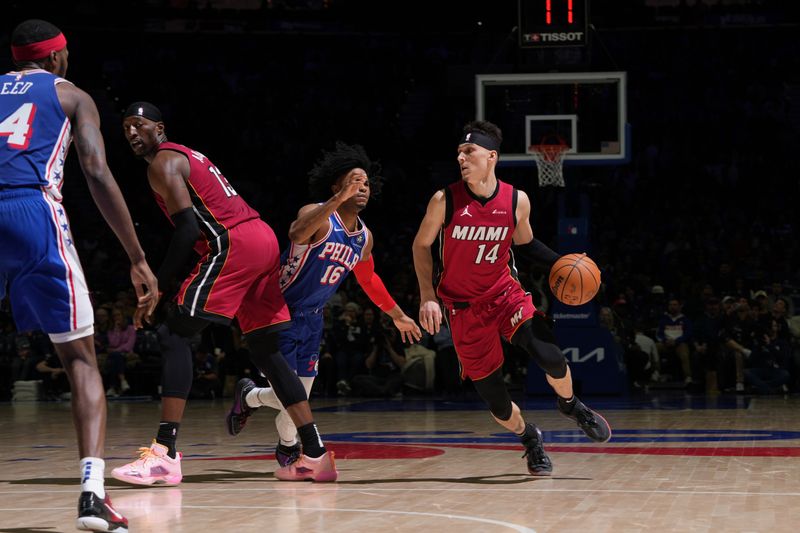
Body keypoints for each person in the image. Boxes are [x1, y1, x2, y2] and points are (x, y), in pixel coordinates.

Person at [115, 101, 336, 484]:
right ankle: (316, 454)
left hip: (234, 244)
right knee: (267, 351)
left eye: (139, 125)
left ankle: (164, 454)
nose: (133, 133)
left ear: (160, 128)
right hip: (261, 238)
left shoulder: (162, 162)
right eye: (126, 129)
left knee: (173, 334)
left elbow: (186, 230)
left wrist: (158, 287)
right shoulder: (188, 156)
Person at [0, 19, 159, 532]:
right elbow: (94, 169)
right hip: (32, 212)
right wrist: (135, 255)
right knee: (80, 359)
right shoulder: (72, 96)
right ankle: (92, 495)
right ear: (56, 57)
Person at [411, 120, 611, 476]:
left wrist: (568, 263)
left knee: (549, 355)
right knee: (498, 403)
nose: (461, 156)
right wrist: (427, 295)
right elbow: (421, 245)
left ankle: (571, 404)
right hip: (463, 310)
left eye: (469, 151)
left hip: (504, 294)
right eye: (459, 151)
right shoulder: (446, 199)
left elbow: (527, 243)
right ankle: (529, 437)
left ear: (492, 156)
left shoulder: (516, 200)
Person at [225, 142, 421, 467]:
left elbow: (369, 280)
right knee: (294, 398)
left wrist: (398, 315)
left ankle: (251, 399)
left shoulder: (363, 238)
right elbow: (296, 232)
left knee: (299, 397)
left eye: (366, 184)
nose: (362, 188)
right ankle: (288, 445)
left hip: (313, 319)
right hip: (279, 313)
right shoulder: (316, 215)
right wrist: (336, 201)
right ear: (337, 186)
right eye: (354, 182)